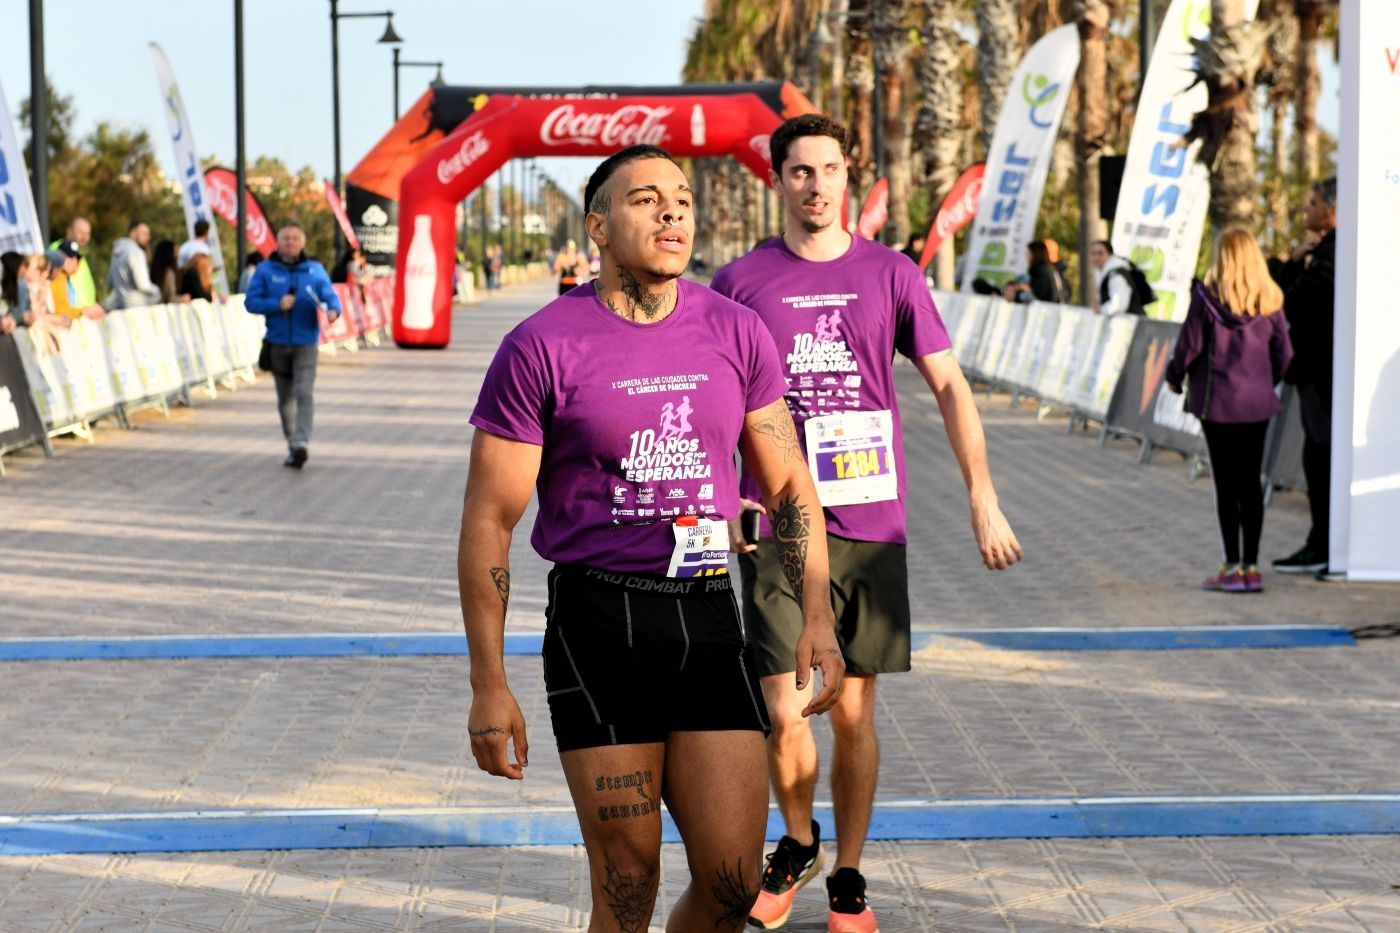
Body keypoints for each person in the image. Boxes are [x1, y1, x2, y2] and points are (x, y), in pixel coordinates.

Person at [460, 144, 845, 932]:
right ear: (598, 226)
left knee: (735, 881)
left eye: (681, 197)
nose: (672, 211)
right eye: (645, 199)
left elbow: (788, 487)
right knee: (628, 878)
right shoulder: (541, 345)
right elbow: (490, 521)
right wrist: (487, 682)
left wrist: (817, 614)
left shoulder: (735, 332)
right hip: (598, 625)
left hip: (706, 616)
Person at [710, 114, 1023, 933]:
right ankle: (798, 839)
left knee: (851, 713)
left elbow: (951, 386)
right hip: (777, 524)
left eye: (830, 169)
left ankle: (847, 871)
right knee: (784, 709)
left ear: (851, 175)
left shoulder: (892, 275)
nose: (816, 186)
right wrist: (720, 499)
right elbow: (709, 401)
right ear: (777, 181)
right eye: (800, 172)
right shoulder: (740, 282)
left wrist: (981, 493)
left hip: (870, 524)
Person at [1165, 229, 1294, 593]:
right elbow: (1285, 354)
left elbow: (1189, 347)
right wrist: (1267, 380)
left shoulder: (1206, 299)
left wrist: (1174, 377)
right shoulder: (1271, 300)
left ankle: (1231, 566)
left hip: (1217, 402)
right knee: (1251, 485)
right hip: (1257, 404)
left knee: (1226, 486)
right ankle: (1251, 568)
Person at [1268, 177, 1336, 575]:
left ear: (1333, 208)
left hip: (1323, 371)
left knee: (1321, 454)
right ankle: (1322, 539)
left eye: (1312, 203)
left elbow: (1293, 301)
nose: (1306, 210)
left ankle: (1324, 542)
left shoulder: (1333, 253)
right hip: (1319, 371)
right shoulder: (1326, 251)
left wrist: (1289, 266)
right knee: (1317, 453)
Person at [244, 222, 341, 469]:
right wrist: (277, 304)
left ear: (303, 243)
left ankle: (301, 443)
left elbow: (330, 296)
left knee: (304, 393)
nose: (290, 242)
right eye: (286, 238)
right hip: (277, 343)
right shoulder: (265, 270)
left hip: (306, 342)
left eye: (295, 238)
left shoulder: (314, 270)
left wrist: (333, 311)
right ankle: (292, 444)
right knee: (285, 398)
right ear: (278, 242)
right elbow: (250, 302)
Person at [105, 221, 163, 310]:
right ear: (133, 233)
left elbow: (110, 282)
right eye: (144, 234)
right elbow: (143, 285)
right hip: (137, 307)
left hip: (119, 306)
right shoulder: (136, 252)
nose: (148, 238)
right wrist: (158, 291)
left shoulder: (116, 252)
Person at [48, 240, 105, 322]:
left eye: (77, 257)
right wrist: (83, 312)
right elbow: (60, 310)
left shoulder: (67, 279)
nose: (75, 261)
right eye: (70, 256)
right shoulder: (57, 278)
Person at [1003, 240, 1070, 304]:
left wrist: (1017, 295)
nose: (1026, 255)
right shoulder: (1049, 270)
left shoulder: (1042, 272)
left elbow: (1038, 296)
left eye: (1028, 252)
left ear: (1035, 254)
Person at [50, 217, 96, 308]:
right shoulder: (58, 250)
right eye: (81, 232)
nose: (84, 237)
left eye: (87, 233)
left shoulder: (79, 253)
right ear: (69, 231)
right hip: (70, 314)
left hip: (83, 314)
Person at [1090, 239, 1138, 315]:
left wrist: (1100, 310)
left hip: (1132, 324)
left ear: (1110, 255)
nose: (1096, 257)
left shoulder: (1117, 276)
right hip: (1121, 323)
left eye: (1100, 253)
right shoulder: (1103, 274)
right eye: (1093, 253)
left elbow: (1118, 305)